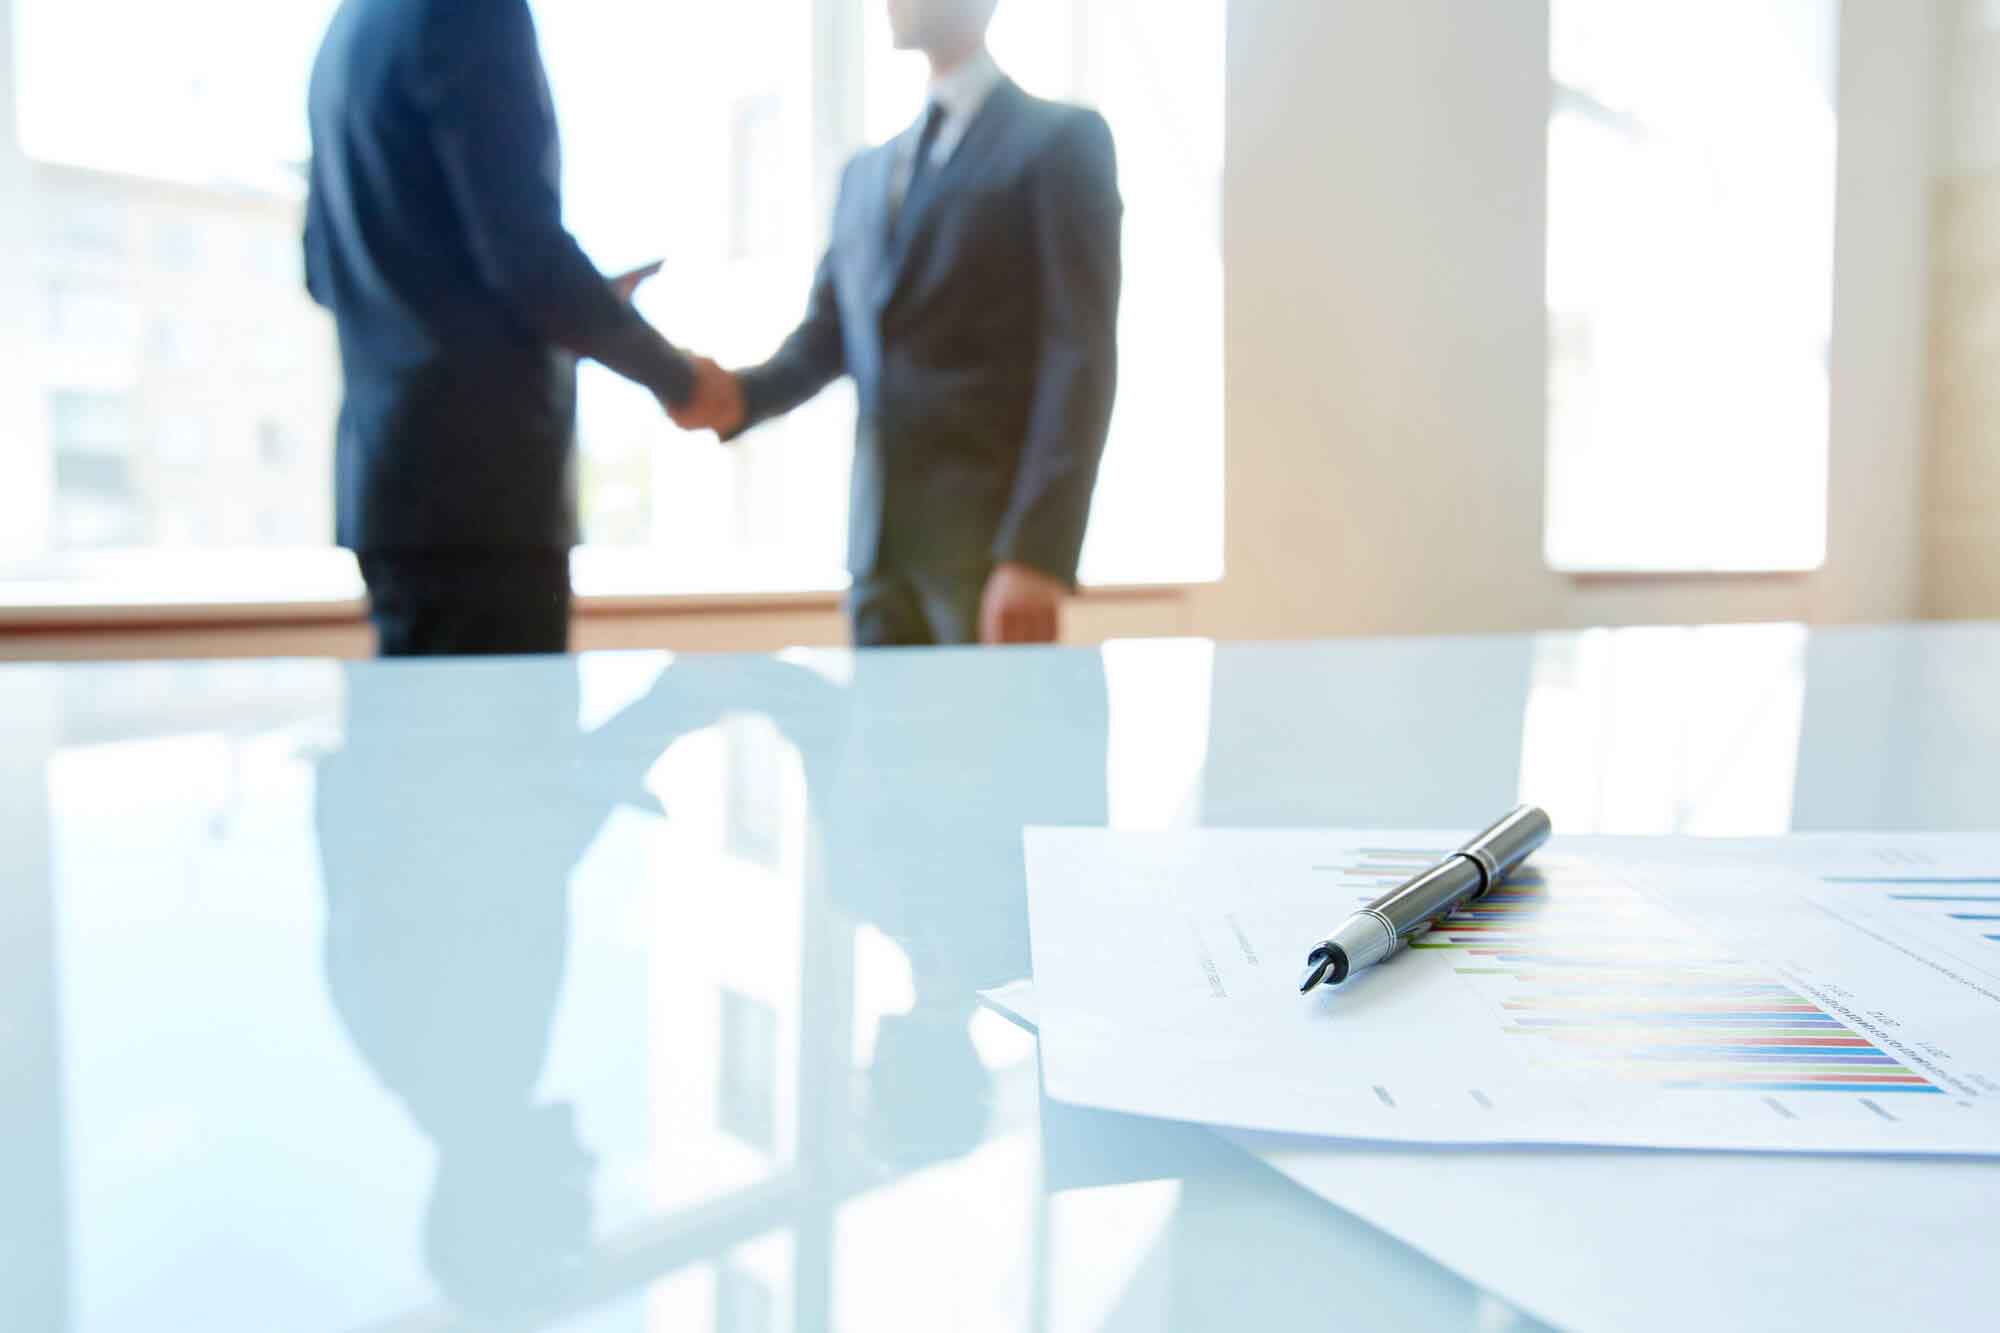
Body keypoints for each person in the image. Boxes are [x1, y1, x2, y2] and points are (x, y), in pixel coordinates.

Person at [674, 0, 1124, 648]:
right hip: (876, 556)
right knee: (880, 751)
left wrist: (1036, 552)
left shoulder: (1060, 142)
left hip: (990, 556)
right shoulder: (863, 175)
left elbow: (1079, 354)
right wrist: (733, 397)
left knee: (996, 751)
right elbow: (824, 343)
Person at [304, 0, 729, 656]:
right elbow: (526, 259)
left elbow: (322, 269)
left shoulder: (350, 30)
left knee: (430, 747)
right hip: (483, 500)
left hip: (389, 491)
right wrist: (676, 378)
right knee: (506, 752)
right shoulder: (470, 10)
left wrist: (565, 306)